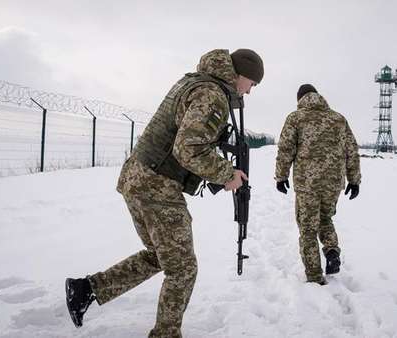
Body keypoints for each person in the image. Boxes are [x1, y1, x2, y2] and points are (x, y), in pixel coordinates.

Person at [65, 48, 263, 337]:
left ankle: (86, 289)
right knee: (182, 269)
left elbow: (185, 140)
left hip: (139, 177)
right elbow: (187, 148)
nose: (251, 91)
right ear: (241, 75)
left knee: (161, 256)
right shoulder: (212, 94)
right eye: (253, 84)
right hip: (156, 184)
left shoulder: (195, 81)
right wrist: (226, 174)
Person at [274, 84, 361, 285]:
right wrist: (354, 180)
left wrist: (281, 176)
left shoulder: (296, 118)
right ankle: (331, 250)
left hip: (307, 184)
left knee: (307, 229)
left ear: (300, 99)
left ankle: (314, 277)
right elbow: (351, 151)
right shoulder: (338, 119)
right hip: (333, 183)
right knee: (325, 218)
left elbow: (285, 149)